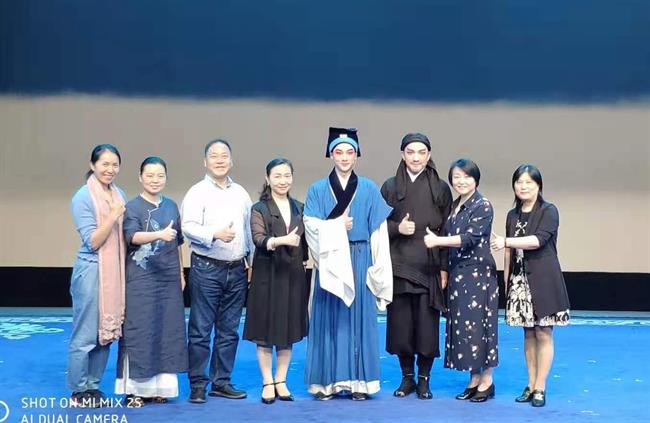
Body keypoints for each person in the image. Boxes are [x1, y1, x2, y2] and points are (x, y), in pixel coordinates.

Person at [303, 127, 393, 401]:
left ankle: (359, 383)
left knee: (359, 321)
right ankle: (326, 383)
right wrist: (335, 227)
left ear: (356, 156)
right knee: (328, 320)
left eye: (349, 152)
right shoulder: (317, 189)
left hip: (359, 258)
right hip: (330, 260)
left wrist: (379, 267)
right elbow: (310, 226)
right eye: (338, 152)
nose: (344, 157)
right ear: (331, 155)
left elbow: (378, 231)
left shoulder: (369, 188)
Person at [181, 139, 254, 403]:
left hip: (237, 269)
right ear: (205, 161)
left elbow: (249, 230)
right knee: (201, 329)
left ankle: (221, 381)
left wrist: (251, 262)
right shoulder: (196, 192)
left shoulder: (241, 193)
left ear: (231, 161)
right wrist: (214, 233)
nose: (220, 160)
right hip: (207, 268)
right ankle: (198, 384)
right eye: (214, 155)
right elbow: (187, 226)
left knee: (229, 330)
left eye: (224, 155)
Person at [491, 164, 570, 408]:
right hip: (519, 281)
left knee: (543, 332)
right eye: (519, 182)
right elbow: (508, 253)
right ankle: (530, 383)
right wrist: (506, 282)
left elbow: (538, 241)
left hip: (544, 280)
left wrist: (506, 241)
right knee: (528, 333)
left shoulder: (549, 210)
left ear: (538, 186)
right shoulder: (512, 215)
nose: (523, 186)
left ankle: (540, 387)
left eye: (529, 182)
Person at [380, 133, 452, 400]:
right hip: (398, 265)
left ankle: (424, 379)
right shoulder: (390, 186)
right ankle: (407, 377)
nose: (416, 157)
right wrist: (397, 228)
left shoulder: (440, 188)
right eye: (410, 152)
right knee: (401, 326)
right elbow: (377, 225)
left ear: (428, 155)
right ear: (402, 154)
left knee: (426, 326)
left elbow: (447, 229)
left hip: (429, 266)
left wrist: (444, 267)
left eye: (421, 152)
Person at [422, 159, 498, 402]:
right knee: (466, 328)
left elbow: (470, 238)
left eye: (467, 176)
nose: (461, 181)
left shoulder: (482, 205)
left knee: (481, 327)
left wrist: (438, 241)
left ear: (476, 179)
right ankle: (474, 379)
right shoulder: (456, 205)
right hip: (459, 275)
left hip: (478, 274)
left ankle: (487, 380)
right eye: (456, 177)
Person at [115, 157, 188, 407]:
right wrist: (159, 234)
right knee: (140, 330)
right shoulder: (132, 207)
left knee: (167, 330)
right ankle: (135, 390)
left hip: (168, 278)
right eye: (150, 175)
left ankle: (160, 388)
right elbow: (132, 236)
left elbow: (177, 243)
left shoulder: (172, 206)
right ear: (140, 177)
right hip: (141, 280)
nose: (155, 180)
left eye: (160, 175)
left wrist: (180, 273)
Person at [243, 158, 309, 404]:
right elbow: (258, 238)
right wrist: (282, 241)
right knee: (264, 330)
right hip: (267, 275)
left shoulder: (300, 207)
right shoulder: (259, 208)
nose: (283, 181)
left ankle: (281, 380)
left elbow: (306, 241)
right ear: (268, 178)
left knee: (288, 328)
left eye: (287, 175)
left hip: (292, 275)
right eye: (277, 176)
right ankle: (267, 381)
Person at [68, 144, 126, 407]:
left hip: (114, 271)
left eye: (115, 165)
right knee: (85, 334)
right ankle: (78, 390)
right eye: (105, 164)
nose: (110, 169)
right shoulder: (82, 197)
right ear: (93, 165)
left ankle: (92, 386)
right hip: (91, 270)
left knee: (106, 333)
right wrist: (113, 216)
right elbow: (92, 241)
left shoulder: (119, 194)